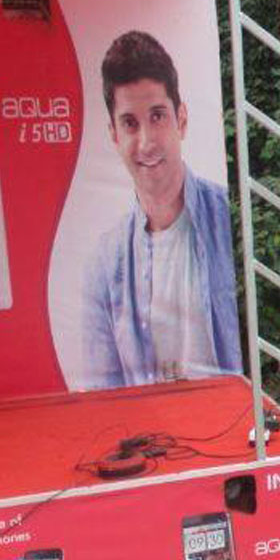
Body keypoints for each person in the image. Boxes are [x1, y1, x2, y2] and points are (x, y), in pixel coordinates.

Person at [82, 30, 241, 390]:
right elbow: (102, 396)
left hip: (230, 417)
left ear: (181, 119)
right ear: (114, 134)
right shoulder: (103, 265)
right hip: (150, 425)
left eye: (157, 116)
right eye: (130, 123)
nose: (146, 142)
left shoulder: (229, 218)